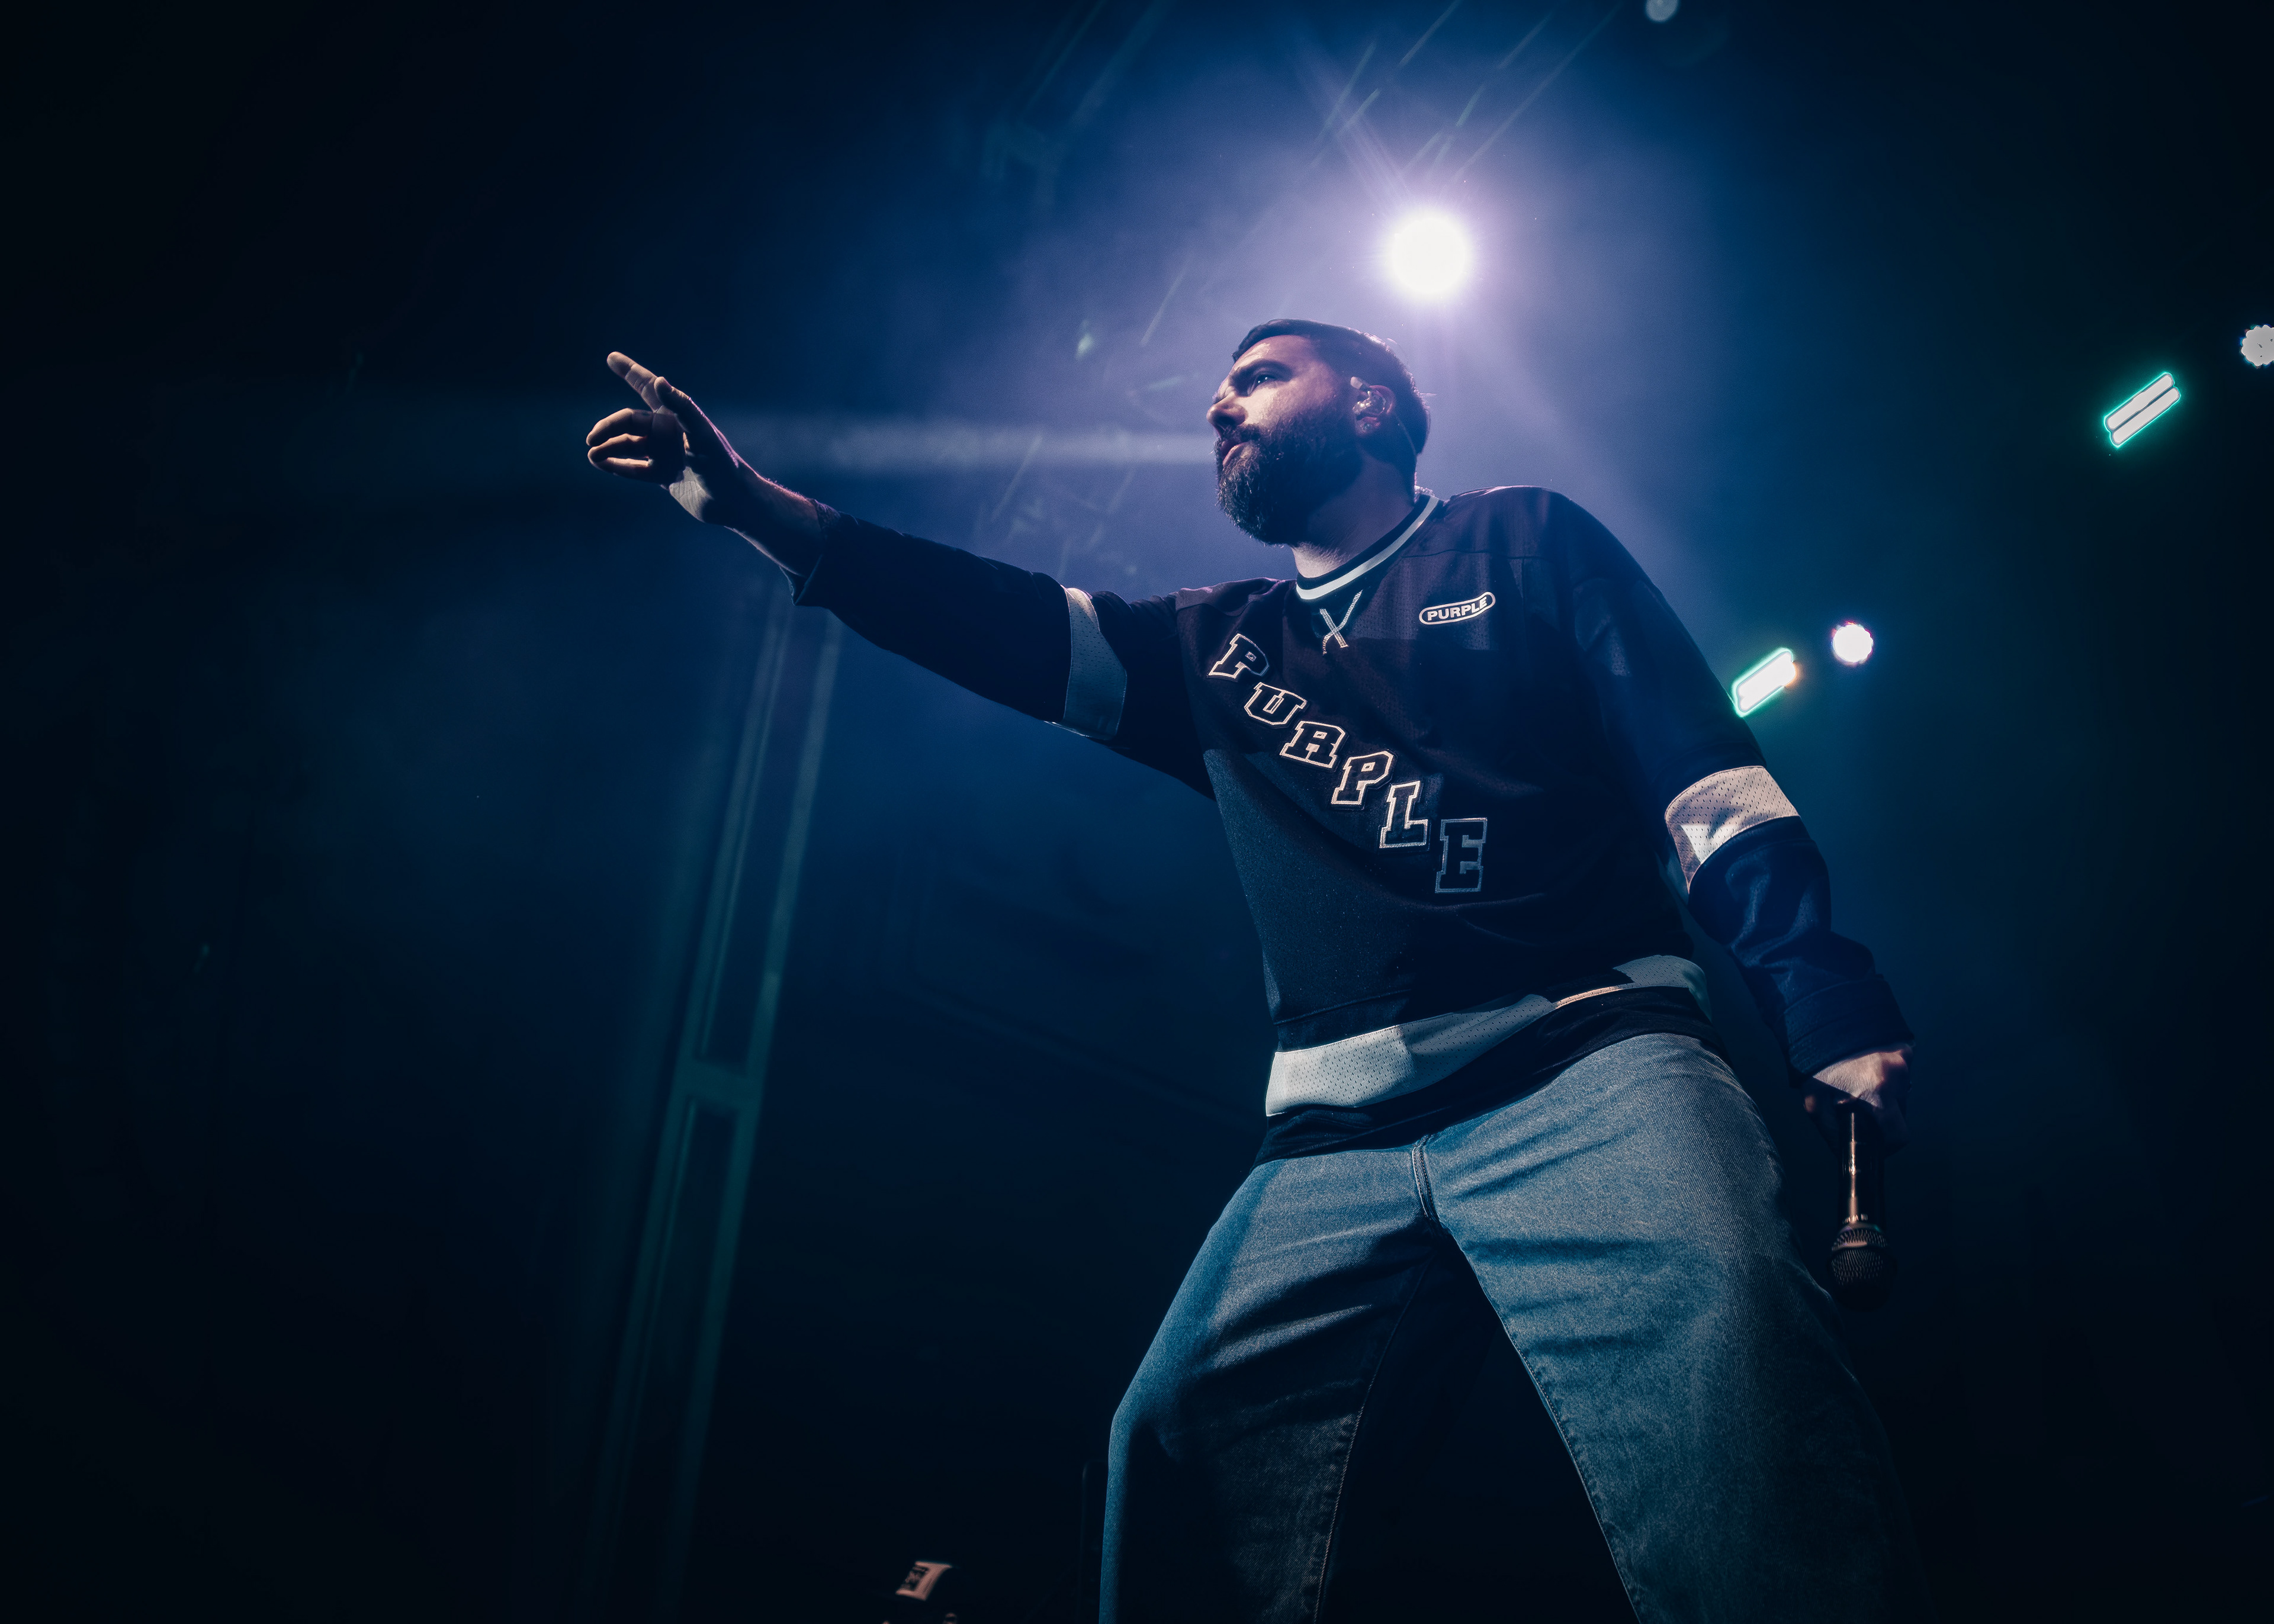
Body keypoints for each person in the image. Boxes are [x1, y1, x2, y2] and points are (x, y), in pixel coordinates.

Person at [584, 320, 1934, 1622]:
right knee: (1176, 1441)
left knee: (1736, 1359)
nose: (1219, 404)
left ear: (1370, 401)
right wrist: (756, 508)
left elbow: (1704, 783)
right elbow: (995, 621)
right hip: (1332, 1148)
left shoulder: (1524, 537)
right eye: (1221, 388)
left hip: (1588, 1069)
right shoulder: (1213, 646)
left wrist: (1821, 991)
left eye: (1261, 376)